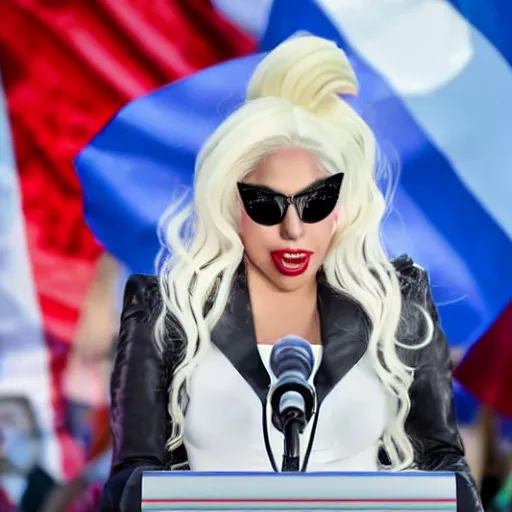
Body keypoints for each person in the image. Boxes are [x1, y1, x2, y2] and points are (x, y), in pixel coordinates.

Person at [100, 35, 482, 512]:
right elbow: (130, 483)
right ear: (230, 205)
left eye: (315, 202)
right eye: (266, 205)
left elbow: (445, 470)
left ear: (342, 208)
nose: (293, 229)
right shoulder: (168, 310)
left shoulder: (395, 304)